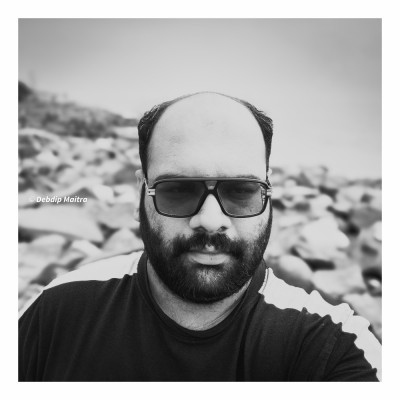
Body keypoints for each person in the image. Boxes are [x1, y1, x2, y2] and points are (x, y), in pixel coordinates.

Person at [19, 92, 381, 381]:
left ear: (269, 195)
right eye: (178, 190)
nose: (210, 221)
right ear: (139, 195)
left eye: (241, 191)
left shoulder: (333, 347)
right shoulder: (59, 311)